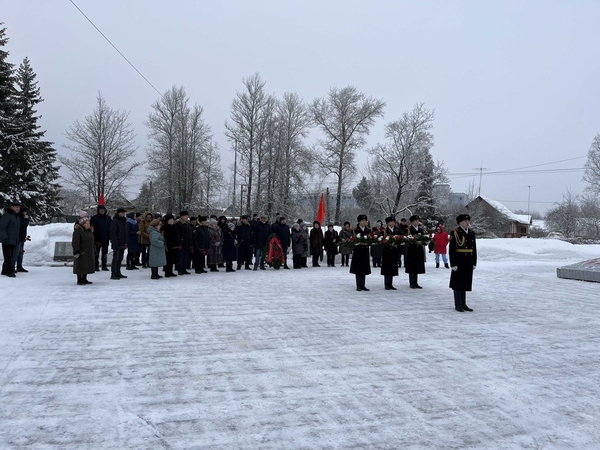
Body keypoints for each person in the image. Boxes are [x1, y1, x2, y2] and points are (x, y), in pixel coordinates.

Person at [449, 214, 477, 312]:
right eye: (465, 221)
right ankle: (458, 304)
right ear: (460, 222)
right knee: (457, 283)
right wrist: (453, 263)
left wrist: (474, 262)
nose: (467, 223)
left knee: (465, 282)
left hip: (468, 260)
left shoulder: (471, 232)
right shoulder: (455, 232)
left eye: (468, 221)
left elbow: (474, 248)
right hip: (459, 260)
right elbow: (452, 249)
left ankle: (464, 303)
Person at [71, 212, 95, 285]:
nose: (88, 224)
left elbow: (92, 242)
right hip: (81, 252)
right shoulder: (78, 231)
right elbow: (75, 242)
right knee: (80, 266)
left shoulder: (89, 232)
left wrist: (94, 250)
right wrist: (76, 250)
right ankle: (79, 279)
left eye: (88, 223)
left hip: (88, 252)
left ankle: (84, 278)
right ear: (82, 224)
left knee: (86, 265)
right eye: (86, 223)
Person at [350, 214, 371, 291]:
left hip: (365, 251)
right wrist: (356, 242)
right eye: (362, 221)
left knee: (364, 268)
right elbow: (352, 240)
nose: (364, 222)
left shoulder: (368, 230)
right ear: (359, 222)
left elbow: (371, 239)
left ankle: (363, 285)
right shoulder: (355, 230)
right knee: (358, 268)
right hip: (358, 251)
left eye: (365, 221)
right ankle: (358, 285)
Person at [0, 201, 21, 278]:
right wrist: (4, 237)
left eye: (18, 207)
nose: (18, 208)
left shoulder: (16, 216)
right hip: (7, 239)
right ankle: (9, 271)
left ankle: (5, 270)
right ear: (12, 207)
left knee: (10, 255)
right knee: (8, 256)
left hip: (13, 239)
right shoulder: (7, 215)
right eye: (16, 207)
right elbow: (2, 227)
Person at [405, 215, 426, 289]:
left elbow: (424, 238)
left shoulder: (420, 230)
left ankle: (416, 282)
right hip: (412, 250)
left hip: (419, 249)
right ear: (412, 222)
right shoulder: (409, 229)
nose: (417, 222)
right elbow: (406, 239)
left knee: (417, 266)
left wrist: (423, 242)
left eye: (418, 221)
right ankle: (411, 282)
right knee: (412, 266)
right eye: (416, 221)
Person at [90, 205, 112, 271]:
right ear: (98, 211)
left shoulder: (108, 218)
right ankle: (95, 266)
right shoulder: (94, 218)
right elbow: (92, 229)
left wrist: (110, 237)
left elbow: (110, 228)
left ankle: (104, 266)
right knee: (96, 253)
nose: (102, 211)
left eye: (103, 209)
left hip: (106, 238)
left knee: (105, 253)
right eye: (100, 210)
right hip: (97, 239)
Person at [381, 216, 399, 290]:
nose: (392, 223)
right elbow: (381, 240)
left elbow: (401, 236)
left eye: (393, 222)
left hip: (394, 251)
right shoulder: (385, 230)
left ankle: (391, 283)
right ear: (388, 223)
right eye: (391, 222)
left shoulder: (396, 230)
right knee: (387, 267)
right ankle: (386, 284)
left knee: (392, 267)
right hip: (387, 251)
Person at [109, 207, 128, 280]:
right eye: (122, 212)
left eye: (124, 212)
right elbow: (113, 234)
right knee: (115, 259)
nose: (123, 214)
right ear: (118, 213)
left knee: (120, 258)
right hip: (117, 244)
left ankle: (118, 272)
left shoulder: (124, 221)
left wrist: (125, 242)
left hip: (122, 243)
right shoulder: (115, 221)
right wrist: (116, 244)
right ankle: (113, 273)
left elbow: (125, 232)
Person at [13, 206, 31, 273]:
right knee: (16, 253)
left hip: (22, 237)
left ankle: (19, 266)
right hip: (18, 238)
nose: (26, 213)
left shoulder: (21, 218)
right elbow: (23, 225)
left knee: (20, 253)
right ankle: (13, 266)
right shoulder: (19, 218)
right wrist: (26, 219)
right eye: (25, 212)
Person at [175, 211, 193, 275]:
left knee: (185, 257)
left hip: (187, 243)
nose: (187, 217)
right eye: (185, 216)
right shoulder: (178, 224)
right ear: (182, 216)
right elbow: (178, 234)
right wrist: (179, 243)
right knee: (181, 257)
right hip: (181, 243)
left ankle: (184, 269)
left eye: (187, 216)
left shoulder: (187, 224)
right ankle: (180, 269)